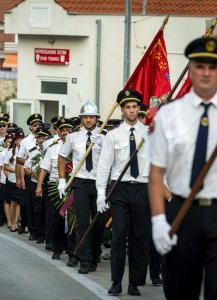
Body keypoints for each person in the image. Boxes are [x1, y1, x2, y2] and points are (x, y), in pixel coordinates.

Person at [149, 36, 217, 300]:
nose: (206, 73)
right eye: (200, 66)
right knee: (181, 290)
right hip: (182, 211)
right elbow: (156, 172)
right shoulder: (170, 114)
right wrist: (159, 220)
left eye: (213, 67)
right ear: (191, 69)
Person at [96, 90, 151, 296]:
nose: (131, 110)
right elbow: (104, 165)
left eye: (134, 107)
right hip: (120, 189)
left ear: (139, 109)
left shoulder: (149, 133)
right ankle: (116, 281)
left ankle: (135, 282)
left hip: (143, 189)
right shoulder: (113, 135)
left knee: (139, 237)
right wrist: (101, 191)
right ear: (122, 110)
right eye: (127, 107)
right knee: (119, 236)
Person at [58, 100, 106, 274]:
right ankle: (84, 261)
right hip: (80, 183)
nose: (88, 120)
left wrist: (102, 143)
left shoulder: (105, 136)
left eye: (91, 117)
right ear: (81, 119)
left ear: (97, 118)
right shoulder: (72, 137)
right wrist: (62, 180)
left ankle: (95, 255)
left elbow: (114, 158)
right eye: (85, 117)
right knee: (82, 223)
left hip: (100, 183)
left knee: (99, 223)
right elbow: (62, 156)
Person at [36, 118, 74, 259]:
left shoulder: (77, 146)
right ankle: (56, 248)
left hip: (72, 187)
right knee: (57, 218)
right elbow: (44, 168)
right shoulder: (53, 148)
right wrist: (39, 185)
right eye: (63, 130)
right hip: (55, 187)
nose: (65, 132)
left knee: (71, 219)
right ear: (58, 131)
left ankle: (71, 250)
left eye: (68, 130)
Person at [15, 113, 43, 240]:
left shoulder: (47, 138)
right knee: (31, 206)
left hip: (45, 176)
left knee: (43, 207)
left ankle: (42, 232)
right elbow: (19, 159)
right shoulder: (26, 141)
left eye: (39, 124)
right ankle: (33, 231)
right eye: (34, 125)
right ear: (30, 127)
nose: (37, 126)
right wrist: (27, 162)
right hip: (30, 175)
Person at [24, 127, 51, 243]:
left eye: (43, 137)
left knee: (48, 210)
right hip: (36, 183)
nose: (41, 140)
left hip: (49, 183)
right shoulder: (33, 151)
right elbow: (26, 168)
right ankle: (37, 233)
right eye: (39, 138)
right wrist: (35, 175)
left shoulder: (51, 149)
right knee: (37, 210)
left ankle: (47, 234)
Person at [4, 131, 25, 232]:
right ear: (15, 141)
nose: (20, 141)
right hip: (12, 180)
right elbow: (5, 166)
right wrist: (15, 171)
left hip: (23, 180)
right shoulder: (10, 152)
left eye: (22, 139)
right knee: (13, 203)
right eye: (18, 140)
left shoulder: (25, 151)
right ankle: (12, 223)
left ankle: (16, 222)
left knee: (20, 203)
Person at [0, 134, 13, 229]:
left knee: (14, 201)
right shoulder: (2, 153)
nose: (10, 143)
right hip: (4, 179)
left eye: (11, 142)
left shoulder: (15, 152)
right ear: (5, 143)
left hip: (14, 179)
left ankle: (13, 219)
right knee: (7, 200)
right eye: (8, 142)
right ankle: (8, 221)